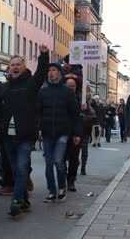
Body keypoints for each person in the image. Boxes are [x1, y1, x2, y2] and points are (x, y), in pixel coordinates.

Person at [0, 45, 48, 216]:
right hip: (8, 137)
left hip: (25, 136)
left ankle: (16, 201)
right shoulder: (4, 88)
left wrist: (44, 55)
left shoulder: (31, 84)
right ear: (9, 69)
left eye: (18, 64)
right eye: (12, 65)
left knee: (22, 168)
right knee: (16, 170)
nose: (15, 67)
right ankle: (24, 201)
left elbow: (41, 73)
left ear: (24, 67)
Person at [39, 62, 81, 203]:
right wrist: (38, 128)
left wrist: (76, 134)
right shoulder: (43, 91)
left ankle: (62, 187)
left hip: (63, 132)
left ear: (59, 73)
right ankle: (52, 191)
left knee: (58, 161)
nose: (50, 72)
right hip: (46, 132)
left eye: (53, 70)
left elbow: (75, 114)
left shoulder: (67, 91)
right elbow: (38, 112)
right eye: (49, 70)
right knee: (49, 163)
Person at [63, 77, 83, 192]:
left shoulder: (81, 99)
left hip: (76, 133)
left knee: (74, 158)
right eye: (68, 85)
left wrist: (83, 112)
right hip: (62, 131)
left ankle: (71, 180)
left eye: (73, 86)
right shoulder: (61, 97)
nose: (70, 88)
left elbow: (86, 117)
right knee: (61, 158)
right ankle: (63, 177)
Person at [80, 103, 96, 175]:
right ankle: (76, 163)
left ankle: (83, 167)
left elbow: (93, 116)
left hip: (85, 132)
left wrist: (83, 114)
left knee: (84, 151)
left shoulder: (89, 109)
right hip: (75, 132)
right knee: (74, 152)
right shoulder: (75, 104)